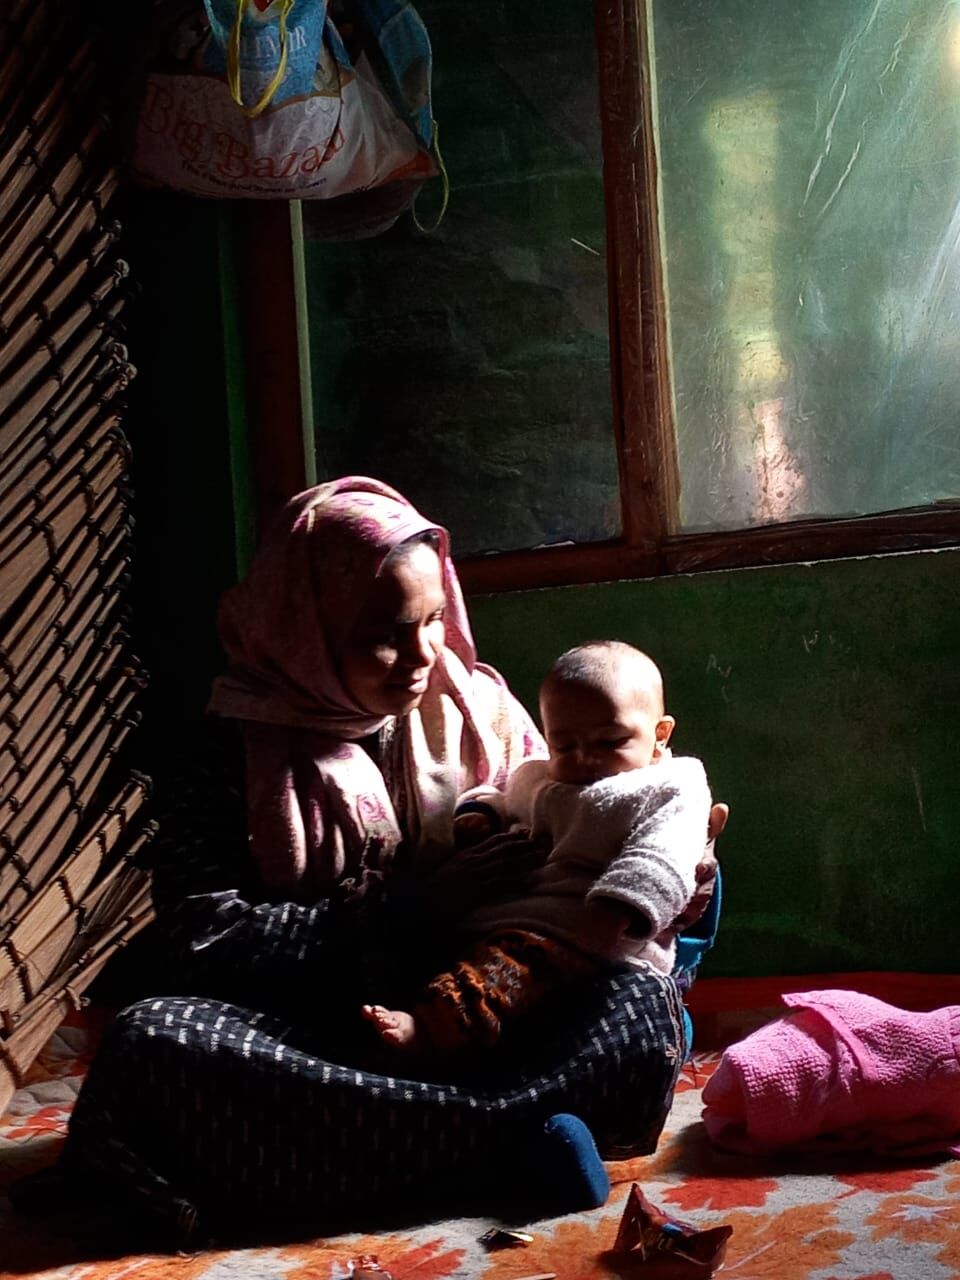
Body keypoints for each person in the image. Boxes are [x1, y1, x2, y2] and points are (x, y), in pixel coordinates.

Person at [17, 478, 719, 1245]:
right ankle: (505, 1145)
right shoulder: (232, 753)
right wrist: (410, 909)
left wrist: (688, 876)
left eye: (434, 620)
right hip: (332, 1030)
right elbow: (200, 937)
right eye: (385, 632)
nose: (422, 655)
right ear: (306, 627)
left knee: (638, 1010)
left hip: (495, 1017)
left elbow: (601, 858)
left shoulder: (476, 709)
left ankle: (397, 1156)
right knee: (152, 1040)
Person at [362, 640, 712, 1055]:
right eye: (565, 745)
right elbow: (508, 800)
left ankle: (432, 1027)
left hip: (586, 934)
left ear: (660, 734)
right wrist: (480, 815)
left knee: (504, 973)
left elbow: (662, 855)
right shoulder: (541, 776)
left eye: (610, 742)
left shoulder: (671, 786)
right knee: (442, 957)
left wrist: (622, 906)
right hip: (512, 918)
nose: (585, 759)